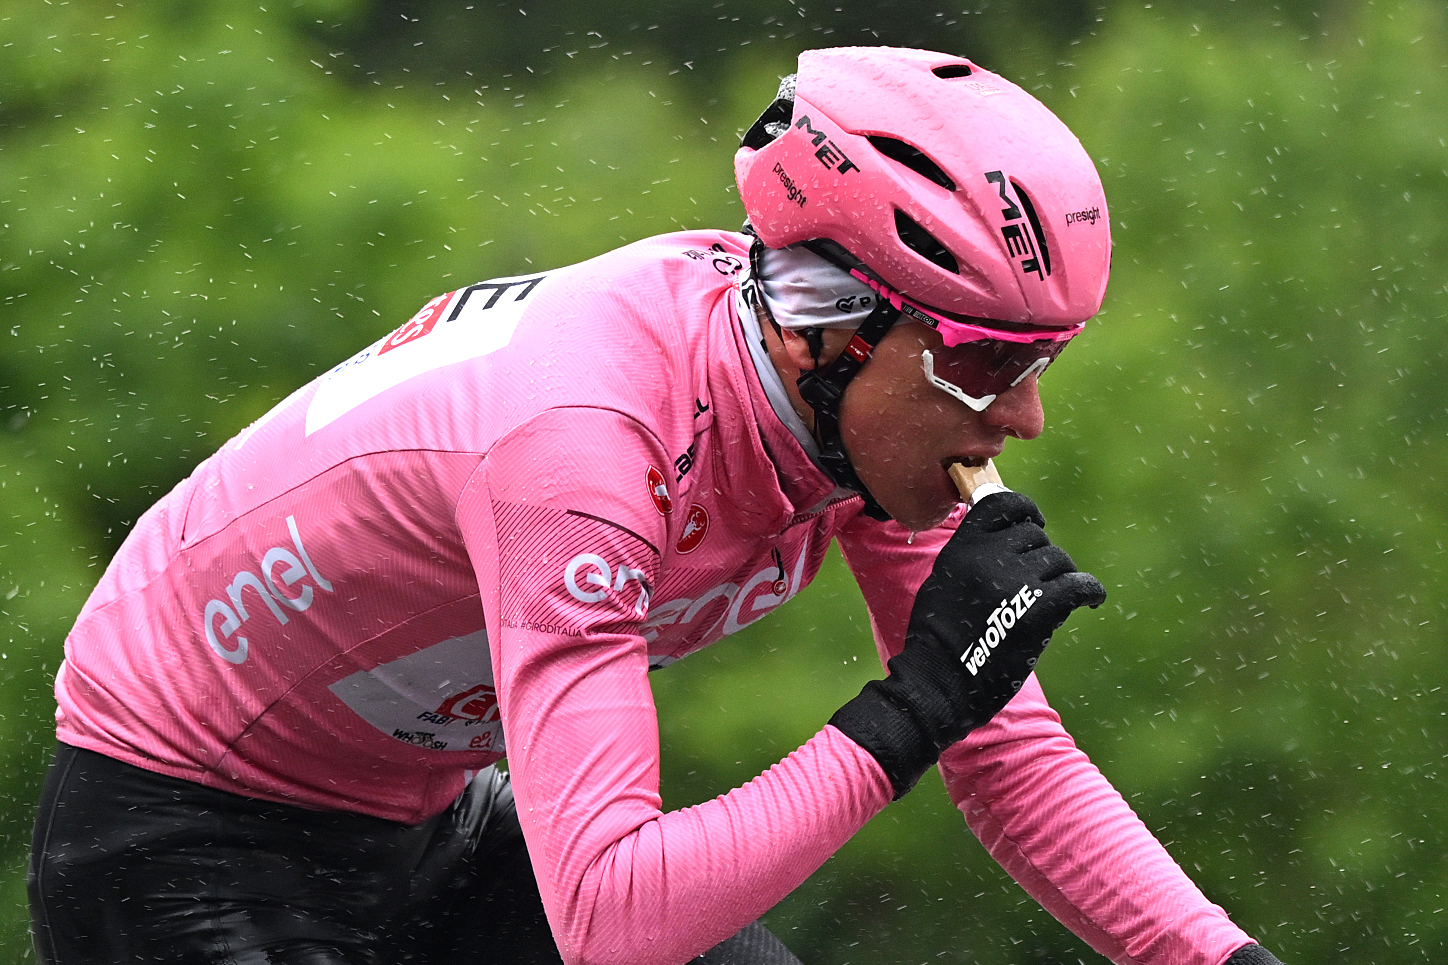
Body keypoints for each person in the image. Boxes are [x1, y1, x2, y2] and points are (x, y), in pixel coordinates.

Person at [27, 45, 1287, 965]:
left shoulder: (849, 412)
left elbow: (1002, 748)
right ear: (831, 330)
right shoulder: (588, 443)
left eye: (1037, 363)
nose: (1020, 420)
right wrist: (907, 707)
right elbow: (615, 920)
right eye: (985, 363)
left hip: (420, 819)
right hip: (178, 824)